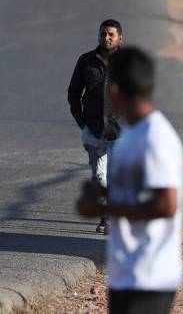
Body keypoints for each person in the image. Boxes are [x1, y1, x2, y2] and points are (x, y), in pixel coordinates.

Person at [76, 47, 183, 314]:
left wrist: (102, 208)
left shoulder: (155, 137)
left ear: (113, 90)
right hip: (127, 273)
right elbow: (136, 193)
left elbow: (165, 205)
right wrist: (101, 192)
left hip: (150, 276)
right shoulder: (131, 134)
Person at [67, 19, 123, 234]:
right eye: (102, 34)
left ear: (119, 38)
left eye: (110, 34)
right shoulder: (86, 61)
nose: (106, 38)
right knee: (99, 177)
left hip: (120, 131)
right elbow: (73, 94)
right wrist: (83, 122)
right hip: (94, 130)